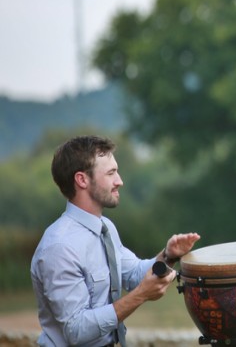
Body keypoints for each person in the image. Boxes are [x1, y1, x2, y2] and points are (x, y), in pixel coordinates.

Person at [30, 135, 201, 347]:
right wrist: (139, 296)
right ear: (82, 180)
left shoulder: (106, 227)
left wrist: (168, 255)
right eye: (111, 173)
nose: (119, 181)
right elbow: (76, 330)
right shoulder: (59, 247)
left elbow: (135, 275)